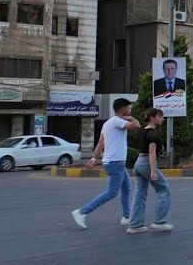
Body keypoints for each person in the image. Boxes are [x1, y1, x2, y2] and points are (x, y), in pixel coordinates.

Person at [72, 98, 142, 230]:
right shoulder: (117, 121)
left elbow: (100, 143)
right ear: (123, 110)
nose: (130, 111)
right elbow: (137, 125)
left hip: (113, 161)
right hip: (115, 162)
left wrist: (93, 159)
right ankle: (82, 212)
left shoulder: (108, 123)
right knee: (111, 192)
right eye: (129, 108)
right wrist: (131, 117)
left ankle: (127, 216)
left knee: (126, 188)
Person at [127, 108, 174, 234]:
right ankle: (160, 221)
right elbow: (152, 152)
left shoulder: (143, 131)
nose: (162, 119)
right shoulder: (154, 133)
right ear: (153, 118)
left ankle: (134, 225)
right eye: (160, 116)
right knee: (164, 188)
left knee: (139, 194)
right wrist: (153, 172)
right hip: (147, 163)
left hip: (139, 163)